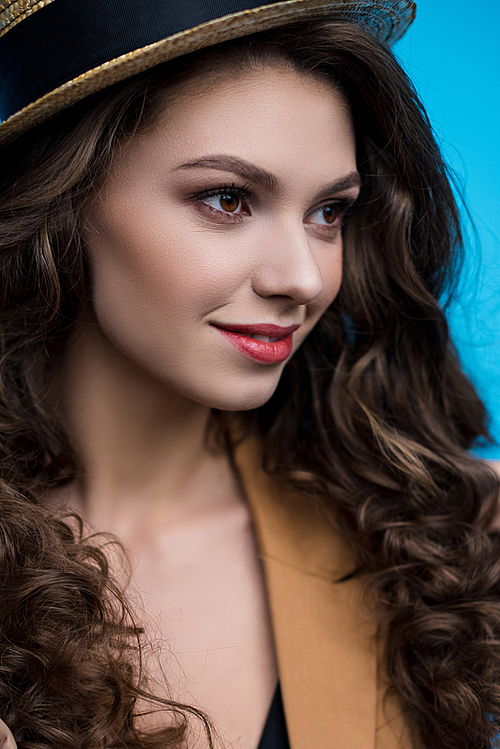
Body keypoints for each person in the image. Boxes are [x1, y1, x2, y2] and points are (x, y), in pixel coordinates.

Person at [0, 1, 499, 748]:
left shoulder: (448, 533)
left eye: (328, 213)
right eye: (227, 200)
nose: (302, 277)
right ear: (62, 198)